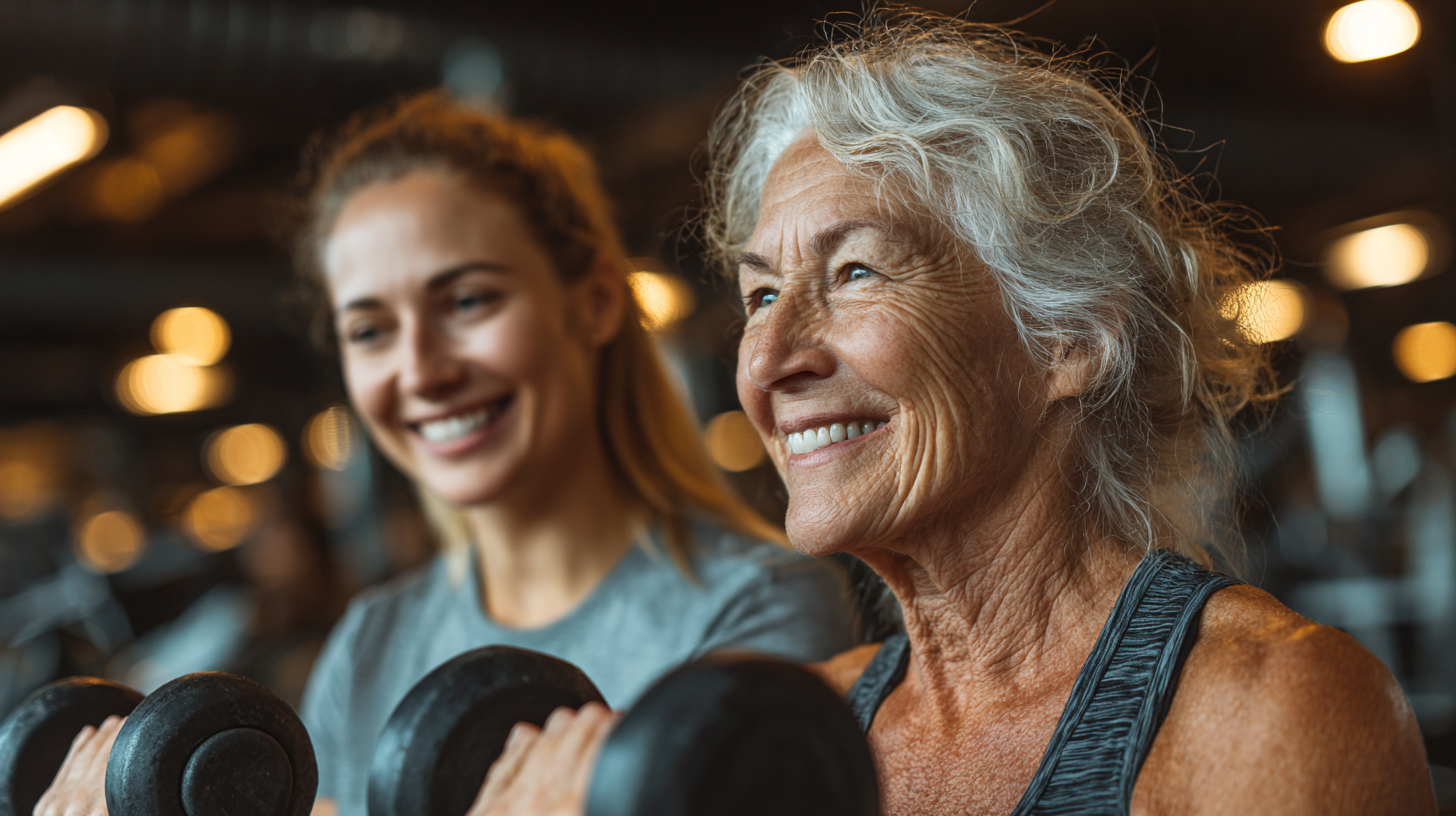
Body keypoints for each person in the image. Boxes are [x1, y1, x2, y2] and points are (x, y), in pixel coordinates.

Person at [465, 14, 1437, 816]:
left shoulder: (1267, 714)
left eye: (854, 273)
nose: (767, 358)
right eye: (760, 295)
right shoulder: (801, 732)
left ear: (1066, 343)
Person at [31, 92, 858, 816]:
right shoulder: (373, 641)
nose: (421, 370)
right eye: (371, 330)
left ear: (597, 302)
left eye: (467, 300)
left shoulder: (761, 609)